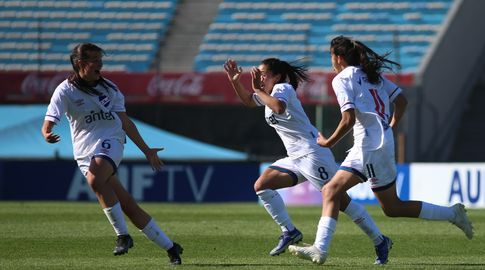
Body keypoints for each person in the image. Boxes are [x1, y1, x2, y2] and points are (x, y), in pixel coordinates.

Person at [288, 35, 474, 265]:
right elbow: (402, 101)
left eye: (331, 56)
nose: (331, 62)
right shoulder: (372, 75)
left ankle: (320, 249)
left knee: (330, 191)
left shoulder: (342, 79)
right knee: (392, 207)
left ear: (338, 57)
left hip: (368, 145)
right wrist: (391, 126)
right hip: (380, 143)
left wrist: (329, 142)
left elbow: (348, 118)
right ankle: (453, 214)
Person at [223, 57, 392, 262]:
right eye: (258, 72)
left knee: (341, 202)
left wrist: (258, 89)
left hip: (312, 155)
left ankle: (379, 240)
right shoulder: (267, 93)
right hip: (295, 157)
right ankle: (289, 231)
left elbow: (279, 108)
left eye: (263, 73)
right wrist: (234, 81)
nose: (259, 76)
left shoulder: (282, 88)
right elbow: (249, 101)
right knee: (262, 185)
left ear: (277, 76)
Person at [41, 43, 183, 265]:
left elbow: (125, 122)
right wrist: (46, 132)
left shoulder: (111, 89)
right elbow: (50, 119)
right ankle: (171, 247)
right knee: (127, 205)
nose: (100, 65)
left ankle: (123, 236)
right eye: (95, 60)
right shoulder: (65, 90)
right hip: (84, 152)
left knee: (95, 178)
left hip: (111, 141)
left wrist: (147, 150)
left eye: (100, 60)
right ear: (80, 64)